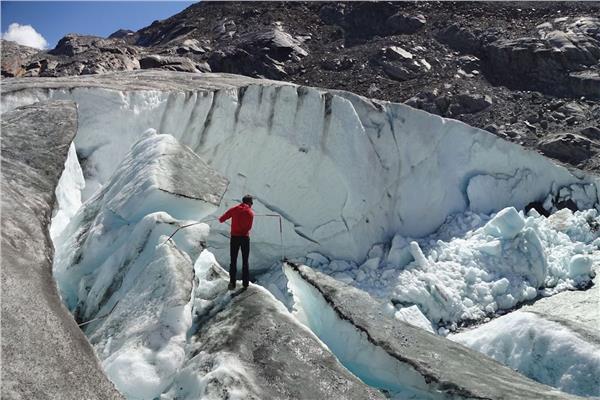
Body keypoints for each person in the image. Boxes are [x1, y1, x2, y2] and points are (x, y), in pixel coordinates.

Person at [219, 194, 255, 290]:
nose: (251, 205)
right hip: (245, 238)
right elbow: (249, 227)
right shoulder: (250, 212)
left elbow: (222, 219)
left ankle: (232, 283)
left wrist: (221, 219)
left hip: (234, 238)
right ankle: (245, 283)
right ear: (249, 203)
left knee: (233, 261)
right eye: (251, 203)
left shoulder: (234, 209)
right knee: (245, 261)